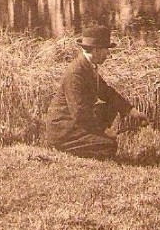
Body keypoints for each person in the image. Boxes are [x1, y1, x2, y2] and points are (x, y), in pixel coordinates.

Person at [44, 25, 148, 160]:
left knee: (110, 109)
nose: (108, 54)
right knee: (109, 146)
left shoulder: (88, 67)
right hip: (63, 131)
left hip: (73, 123)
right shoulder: (76, 73)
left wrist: (133, 112)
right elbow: (80, 113)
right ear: (96, 50)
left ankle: (90, 142)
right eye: (106, 49)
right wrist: (104, 131)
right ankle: (65, 148)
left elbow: (108, 93)